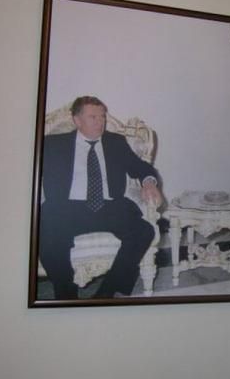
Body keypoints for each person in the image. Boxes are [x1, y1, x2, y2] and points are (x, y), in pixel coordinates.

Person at [39, 96, 163, 299]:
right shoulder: (53, 144)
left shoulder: (116, 142)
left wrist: (149, 182)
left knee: (144, 231)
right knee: (48, 235)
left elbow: (139, 167)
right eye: (93, 117)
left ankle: (107, 292)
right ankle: (66, 293)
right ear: (77, 120)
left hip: (108, 206)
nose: (100, 122)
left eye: (103, 117)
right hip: (66, 208)